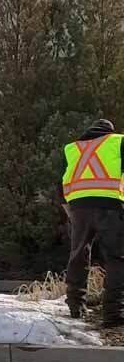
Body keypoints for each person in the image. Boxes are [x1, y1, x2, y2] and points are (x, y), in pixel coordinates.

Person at [62, 119, 124, 327]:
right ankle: (113, 313)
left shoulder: (73, 148)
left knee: (78, 255)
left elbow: (62, 181)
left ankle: (75, 306)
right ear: (110, 131)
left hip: (78, 208)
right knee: (117, 259)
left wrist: (68, 208)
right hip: (111, 206)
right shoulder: (118, 142)